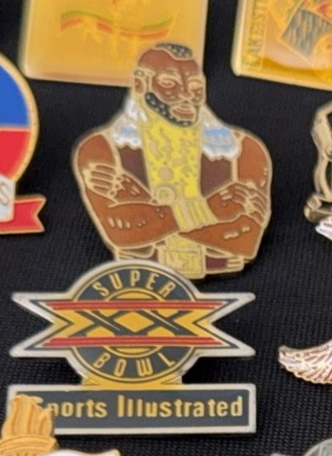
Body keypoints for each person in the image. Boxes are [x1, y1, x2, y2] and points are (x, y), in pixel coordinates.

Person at [73, 43, 271, 279]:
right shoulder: (101, 148)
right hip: (137, 277)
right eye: (169, 84)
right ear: (141, 84)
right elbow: (118, 231)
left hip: (225, 271)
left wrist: (143, 207)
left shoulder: (245, 149)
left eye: (195, 86)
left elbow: (245, 239)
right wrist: (209, 210)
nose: (186, 95)